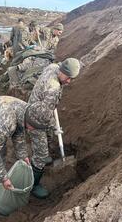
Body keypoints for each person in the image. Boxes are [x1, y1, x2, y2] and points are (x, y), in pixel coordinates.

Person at [25, 58, 80, 199]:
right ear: (62, 72)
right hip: (35, 118)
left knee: (50, 132)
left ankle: (43, 154)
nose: (69, 82)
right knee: (41, 154)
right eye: (68, 78)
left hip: (38, 106)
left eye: (71, 78)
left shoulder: (54, 67)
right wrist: (33, 126)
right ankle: (33, 184)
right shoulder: (53, 88)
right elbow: (43, 114)